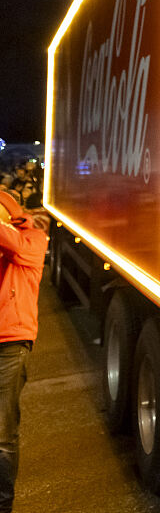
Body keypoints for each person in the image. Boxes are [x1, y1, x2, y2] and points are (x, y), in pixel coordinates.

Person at [0, 193, 47, 512]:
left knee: (2, 434)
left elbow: (15, 246)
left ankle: (3, 505)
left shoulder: (32, 239)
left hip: (11, 343)